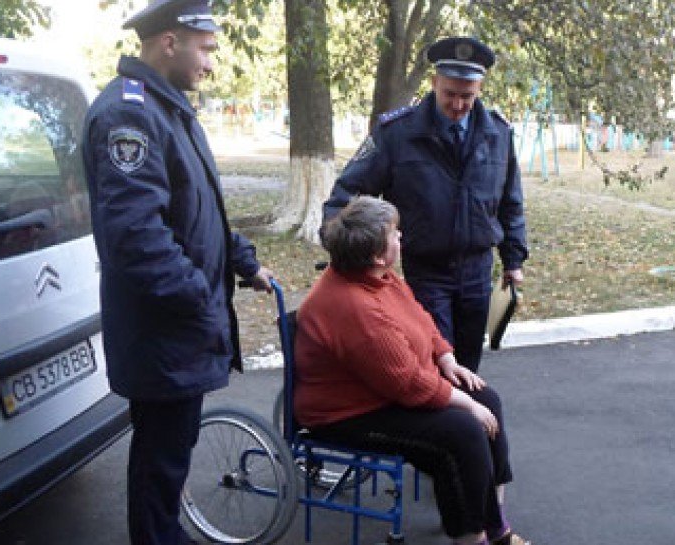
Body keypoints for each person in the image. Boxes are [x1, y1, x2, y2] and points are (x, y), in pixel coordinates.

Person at [80, 1, 276, 543]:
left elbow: (197, 210)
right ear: (170, 41)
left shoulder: (167, 108)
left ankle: (164, 532)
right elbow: (137, 239)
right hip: (165, 330)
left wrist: (241, 259)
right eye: (207, 49)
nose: (211, 64)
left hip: (178, 327)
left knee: (170, 453)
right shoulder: (131, 113)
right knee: (160, 459)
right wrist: (200, 298)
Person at [296, 196, 529, 545]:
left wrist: (446, 358)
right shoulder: (356, 308)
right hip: (348, 411)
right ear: (377, 254)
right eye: (394, 234)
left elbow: (421, 320)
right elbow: (406, 383)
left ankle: (496, 527)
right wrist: (463, 404)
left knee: (487, 399)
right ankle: (473, 537)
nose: (401, 237)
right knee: (462, 431)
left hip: (382, 388)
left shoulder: (381, 277)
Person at [322, 36, 528, 373]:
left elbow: (510, 202)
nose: (459, 105)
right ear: (434, 83)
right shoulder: (396, 133)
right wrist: (342, 244)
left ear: (480, 89)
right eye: (450, 94)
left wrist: (514, 259)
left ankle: (468, 423)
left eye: (468, 96)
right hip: (426, 270)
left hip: (477, 270)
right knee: (436, 364)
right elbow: (347, 193)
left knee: (469, 368)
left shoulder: (499, 134)